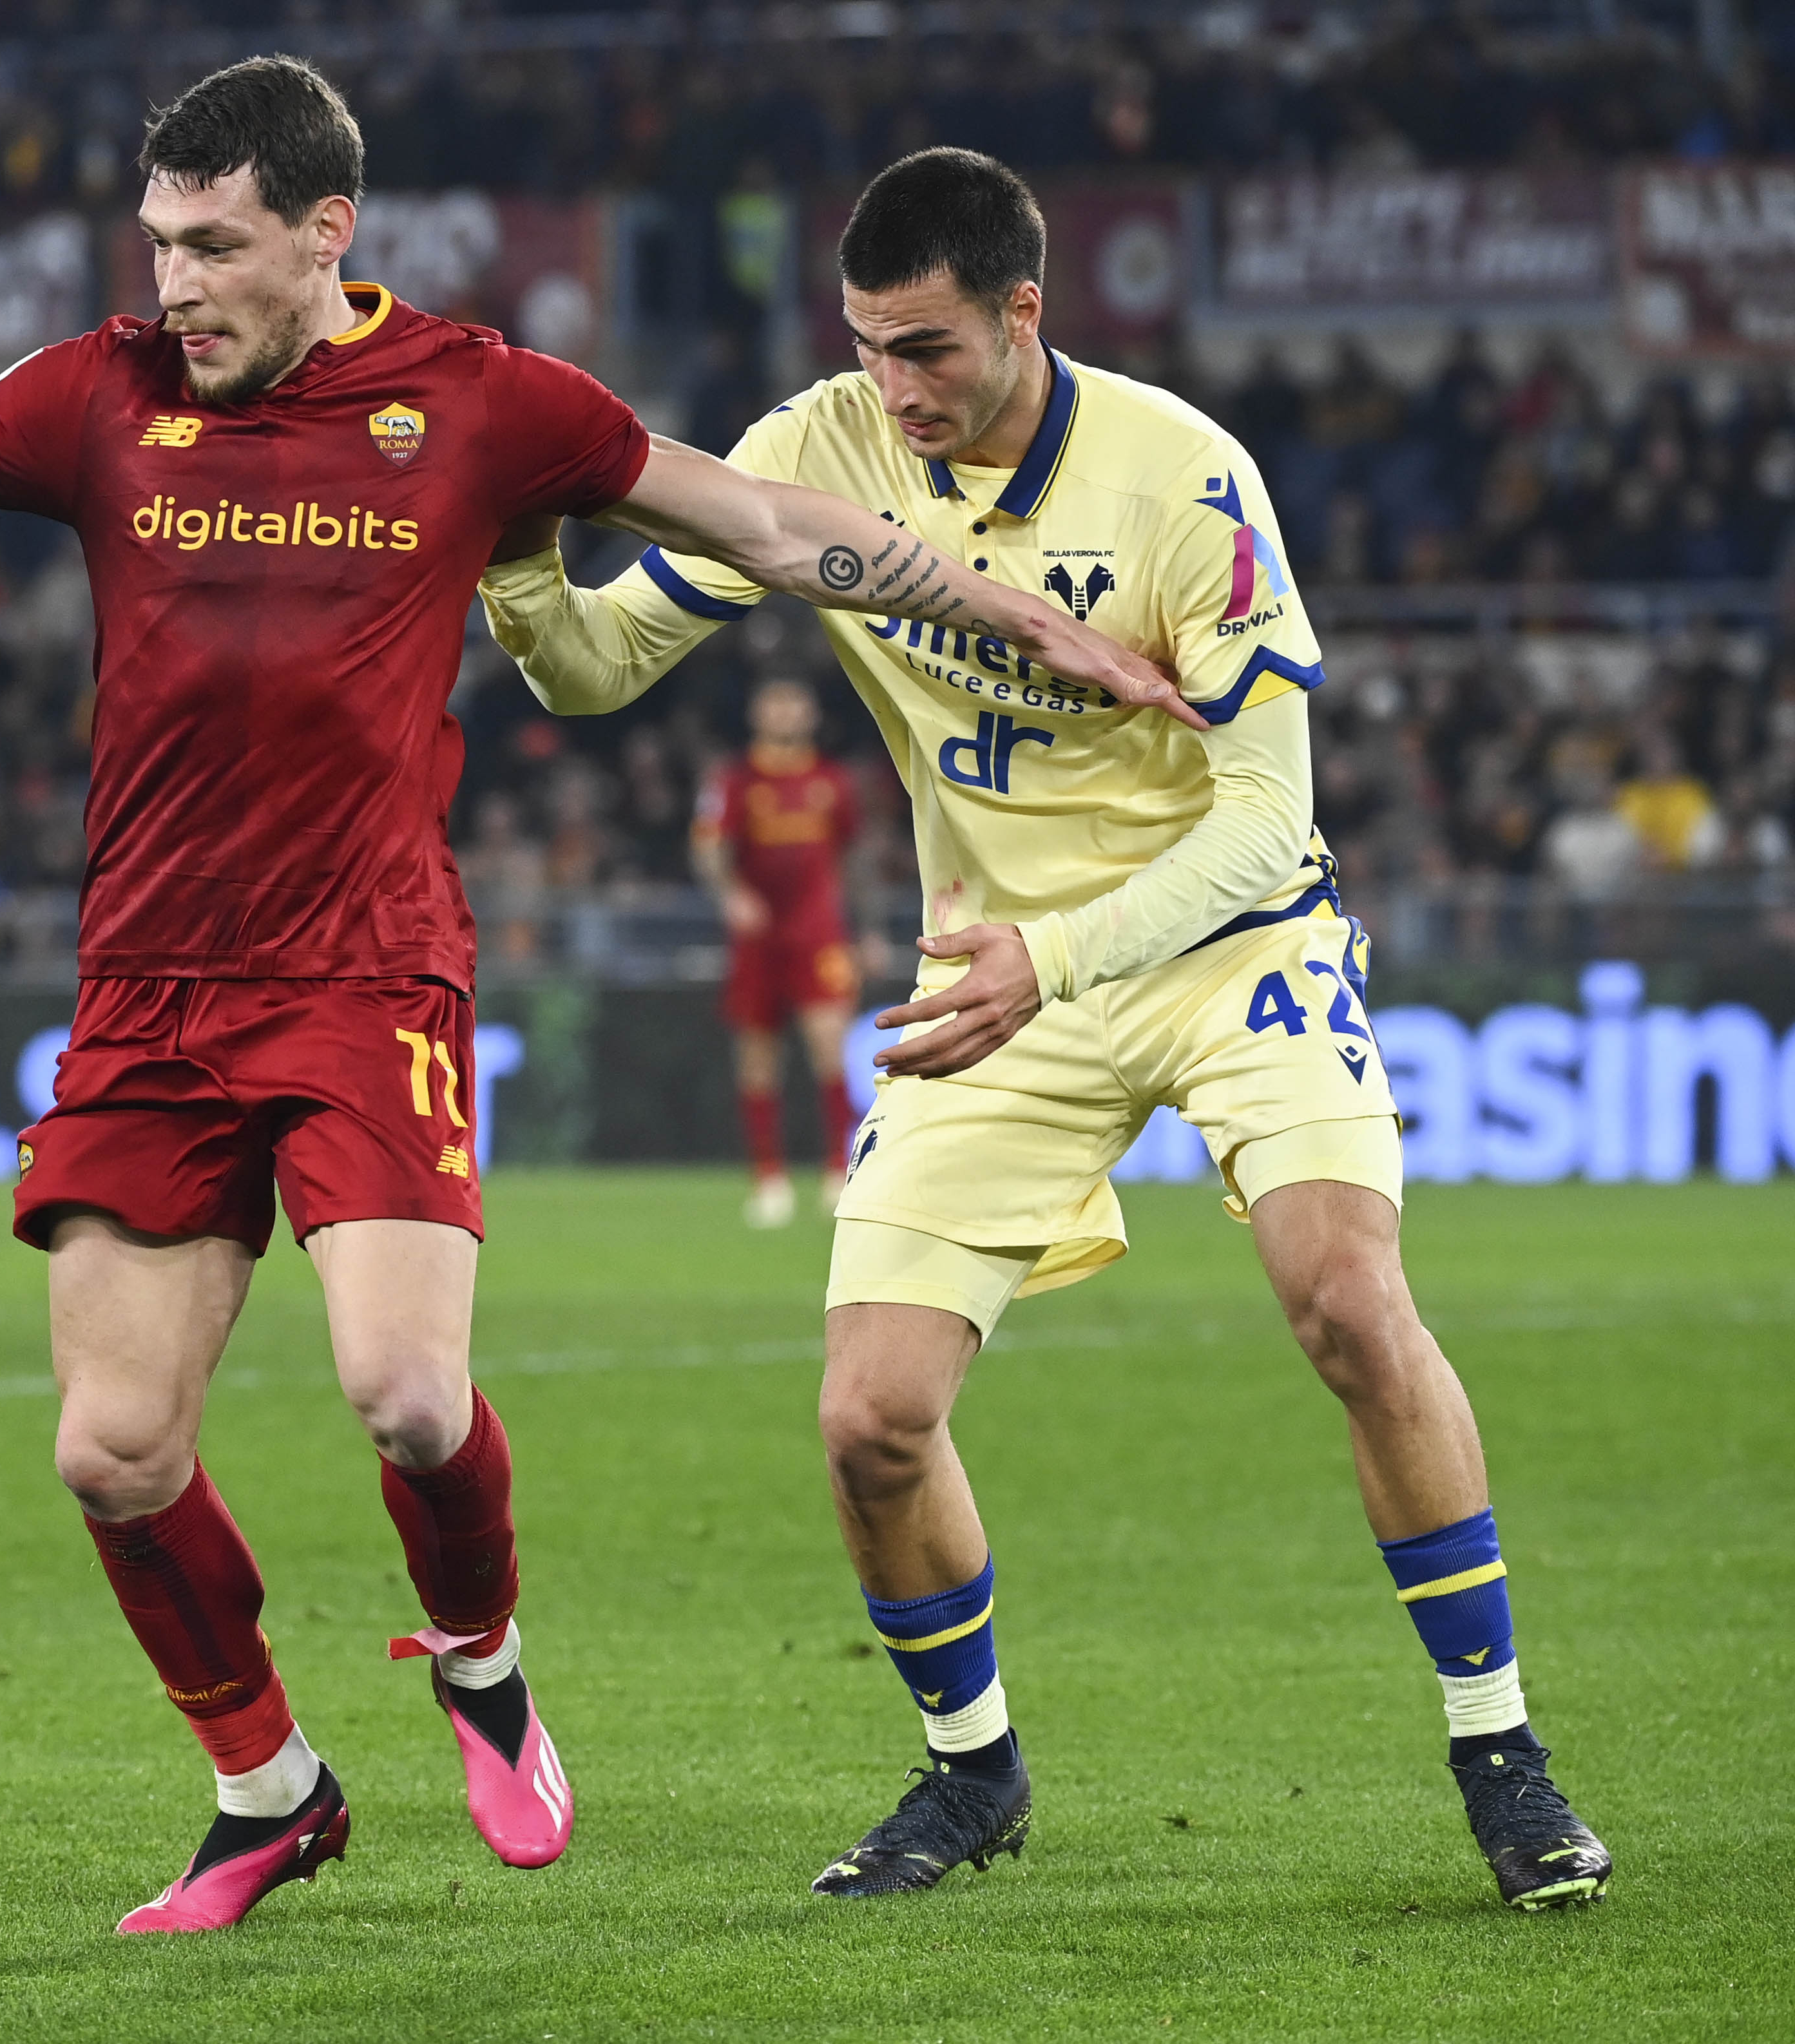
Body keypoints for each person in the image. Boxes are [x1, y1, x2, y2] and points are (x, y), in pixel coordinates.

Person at [0, 64, 1176, 1934]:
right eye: (155, 243)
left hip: (366, 965)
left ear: (321, 233)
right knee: (107, 1447)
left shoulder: (473, 399)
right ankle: (265, 1790)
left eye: (210, 245)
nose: (170, 281)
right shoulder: (96, 394)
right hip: (147, 982)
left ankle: (480, 1663)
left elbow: (757, 522)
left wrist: (1029, 624)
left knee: (406, 1395)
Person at [478, 147, 1609, 1909]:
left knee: (1345, 1294)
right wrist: (522, 565)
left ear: (1027, 309)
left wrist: (1058, 957)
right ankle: (972, 1773)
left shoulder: (1185, 478)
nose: (892, 390)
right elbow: (589, 670)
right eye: (865, 346)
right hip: (997, 972)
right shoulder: (816, 452)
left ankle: (1503, 1750)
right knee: (871, 1415)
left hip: (1224, 944)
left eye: (926, 349)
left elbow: (1262, 818)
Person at [693, 676, 861, 1227]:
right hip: (758, 934)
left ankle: (840, 1169)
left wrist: (868, 928)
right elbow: (707, 844)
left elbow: (853, 860)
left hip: (818, 931)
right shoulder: (736, 780)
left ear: (810, 713)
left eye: (796, 702)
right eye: (776, 702)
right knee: (758, 1058)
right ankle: (768, 1178)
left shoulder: (831, 781)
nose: (786, 713)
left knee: (829, 1046)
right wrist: (731, 896)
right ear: (758, 713)